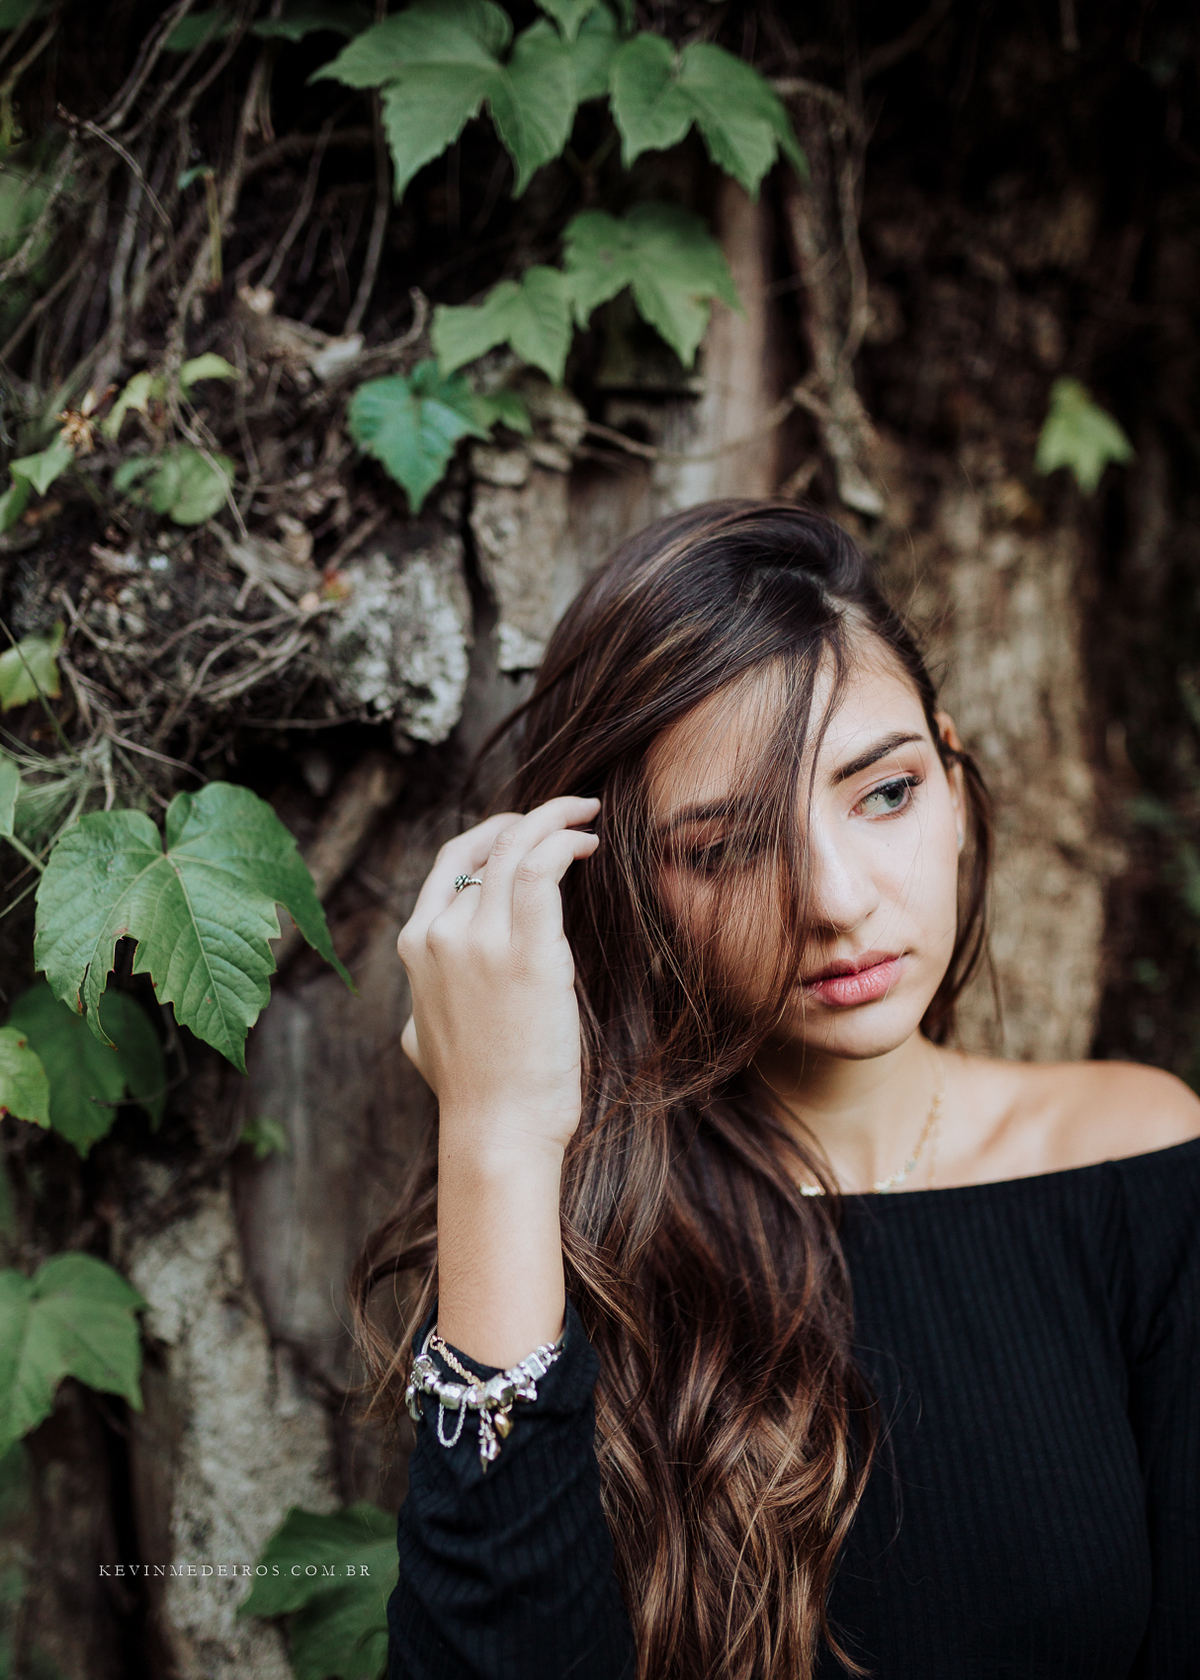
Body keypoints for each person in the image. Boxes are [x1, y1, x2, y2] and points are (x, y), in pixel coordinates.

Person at [356, 501, 1200, 1680]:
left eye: (887, 793)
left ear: (952, 778)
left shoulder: (1143, 1159)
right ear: (630, 889)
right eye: (726, 847)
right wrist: (496, 1136)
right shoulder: (570, 1228)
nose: (837, 898)